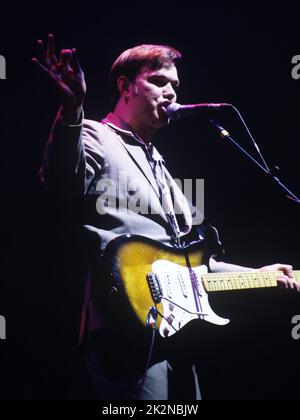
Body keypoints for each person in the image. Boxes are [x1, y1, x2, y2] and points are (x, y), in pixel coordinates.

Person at [33, 34, 300, 400]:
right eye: (159, 81)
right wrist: (73, 109)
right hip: (123, 327)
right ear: (126, 87)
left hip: (175, 333)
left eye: (175, 84)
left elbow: (195, 264)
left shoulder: (163, 168)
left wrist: (259, 275)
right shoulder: (95, 135)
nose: (171, 92)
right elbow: (61, 182)